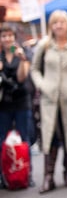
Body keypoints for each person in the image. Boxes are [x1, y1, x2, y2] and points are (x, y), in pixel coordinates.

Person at [31, 10, 67, 193]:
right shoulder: (45, 45)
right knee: (49, 136)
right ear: (51, 26)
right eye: (55, 23)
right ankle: (48, 177)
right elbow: (35, 69)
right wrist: (42, 85)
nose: (59, 26)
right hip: (49, 99)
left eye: (62, 22)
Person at [0, 25, 33, 188]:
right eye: (3, 36)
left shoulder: (21, 52)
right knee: (1, 140)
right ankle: (3, 174)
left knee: (24, 138)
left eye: (9, 36)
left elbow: (21, 78)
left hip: (20, 102)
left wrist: (22, 60)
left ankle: (27, 173)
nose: (6, 39)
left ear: (14, 37)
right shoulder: (0, 56)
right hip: (3, 104)